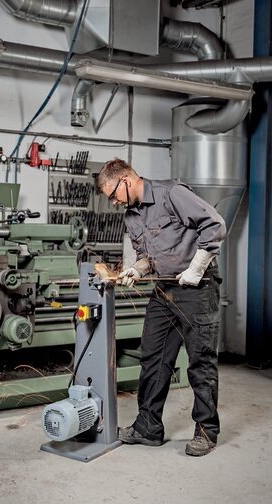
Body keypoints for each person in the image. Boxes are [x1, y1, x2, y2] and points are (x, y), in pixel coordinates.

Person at [96, 157, 226, 457]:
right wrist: (137, 269)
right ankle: (148, 427)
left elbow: (214, 224)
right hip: (164, 290)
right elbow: (148, 255)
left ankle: (206, 431)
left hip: (197, 289)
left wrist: (196, 268)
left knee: (200, 361)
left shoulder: (172, 194)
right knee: (153, 357)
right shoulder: (131, 217)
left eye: (113, 195)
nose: (114, 202)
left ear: (126, 180)